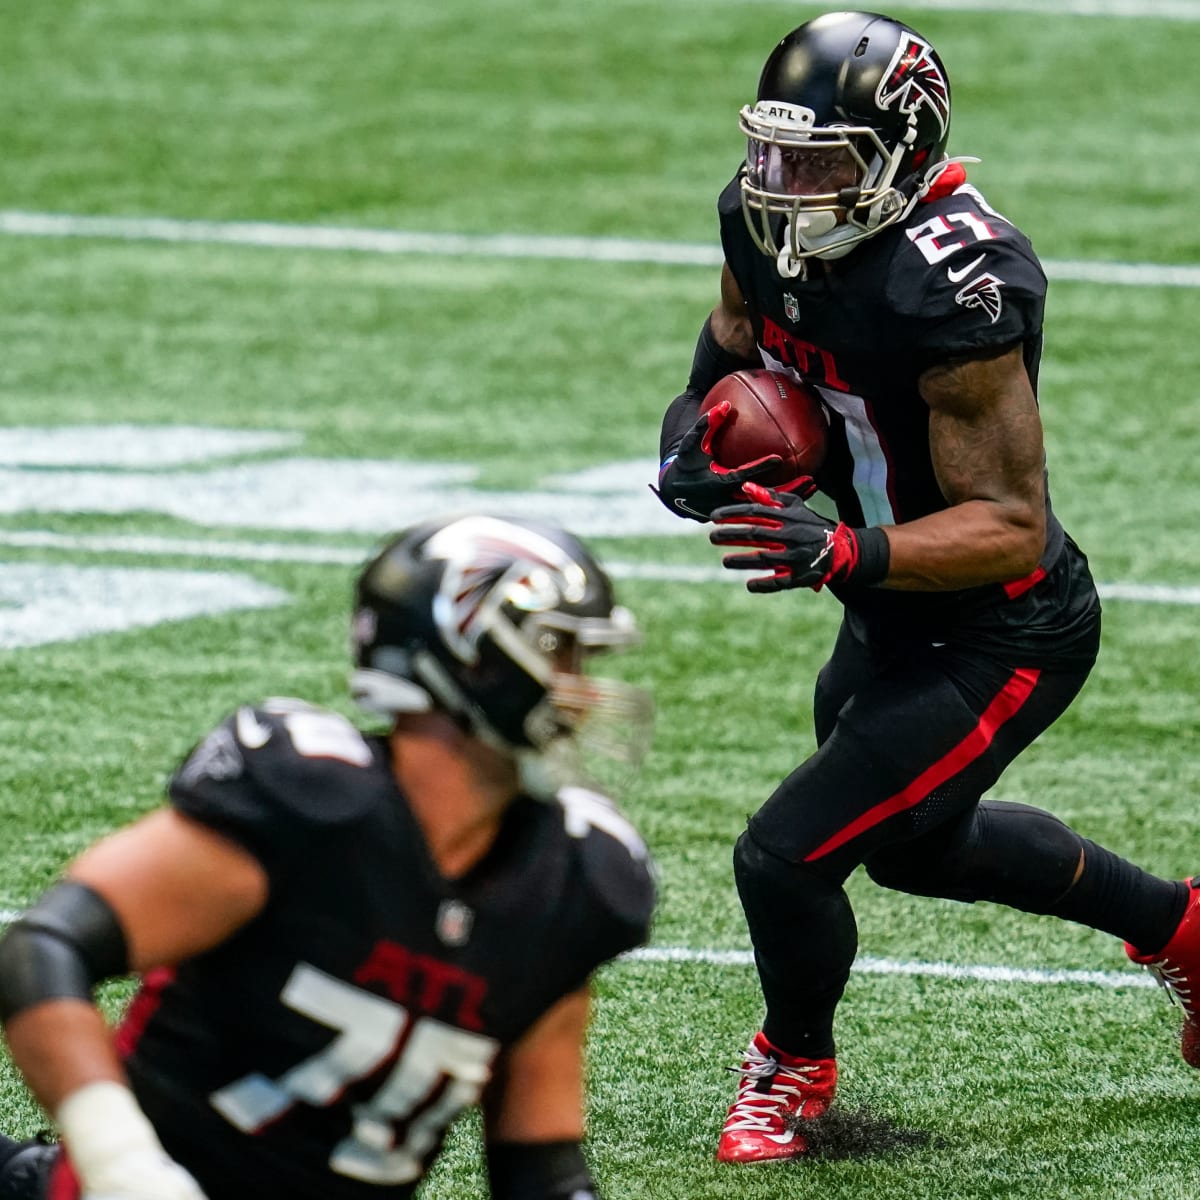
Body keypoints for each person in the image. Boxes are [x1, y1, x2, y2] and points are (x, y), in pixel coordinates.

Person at [652, 9, 1200, 1164]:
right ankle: (1184, 929)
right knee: (916, 849)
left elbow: (1009, 526)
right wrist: (689, 444)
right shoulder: (760, 220)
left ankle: (792, 1062)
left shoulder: (953, 282)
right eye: (773, 153)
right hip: (889, 610)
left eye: (818, 163)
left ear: (898, 155)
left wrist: (841, 553)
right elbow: (732, 348)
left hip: (1005, 631)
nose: (782, 186)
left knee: (784, 855)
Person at [0, 513, 656, 1198]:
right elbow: (43, 951)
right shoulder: (313, 806)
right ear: (476, 659)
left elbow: (539, 1165)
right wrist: (121, 1164)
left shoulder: (569, 877)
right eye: (560, 653)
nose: (584, 691)